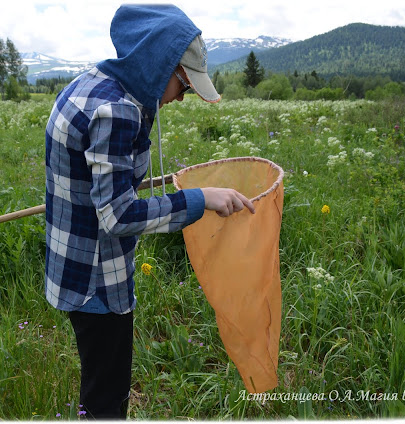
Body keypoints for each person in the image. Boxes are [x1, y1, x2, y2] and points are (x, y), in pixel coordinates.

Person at [44, 4, 254, 419]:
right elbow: (118, 217)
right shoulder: (118, 113)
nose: (182, 97)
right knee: (108, 397)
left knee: (98, 380)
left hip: (70, 264)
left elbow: (95, 180)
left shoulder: (89, 85)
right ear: (161, 66)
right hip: (96, 281)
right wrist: (201, 199)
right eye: (186, 86)